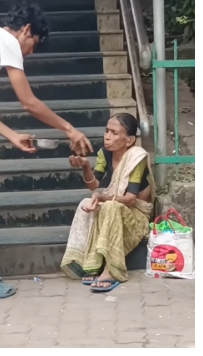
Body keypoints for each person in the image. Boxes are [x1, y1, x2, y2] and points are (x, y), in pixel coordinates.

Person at [0, 2, 94, 300]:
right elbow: (28, 102)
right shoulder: (7, 41)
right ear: (26, 30)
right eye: (33, 44)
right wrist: (70, 129)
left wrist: (11, 135)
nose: (30, 52)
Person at [61, 113, 154, 293]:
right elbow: (94, 185)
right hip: (116, 207)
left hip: (136, 216)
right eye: (106, 131)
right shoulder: (105, 153)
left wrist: (103, 198)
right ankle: (89, 264)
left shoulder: (136, 157)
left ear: (129, 140)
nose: (107, 136)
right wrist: (85, 166)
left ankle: (111, 270)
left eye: (114, 132)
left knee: (110, 205)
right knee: (85, 203)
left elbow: (130, 199)